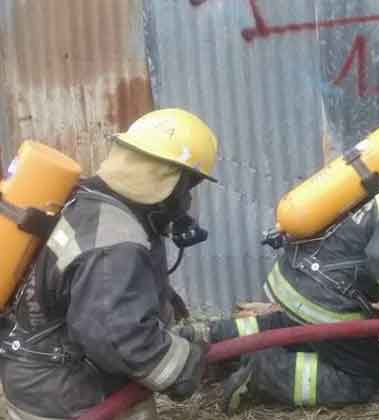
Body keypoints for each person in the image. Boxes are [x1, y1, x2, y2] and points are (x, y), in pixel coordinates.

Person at [178, 126, 379, 414]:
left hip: (300, 277)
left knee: (283, 326)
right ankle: (265, 372)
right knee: (362, 374)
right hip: (326, 296)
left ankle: (210, 336)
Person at [0, 109, 220, 419]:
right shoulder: (114, 241)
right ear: (169, 181)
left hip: (38, 376)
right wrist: (181, 367)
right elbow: (120, 340)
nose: (187, 201)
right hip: (69, 397)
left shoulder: (86, 199)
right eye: (189, 187)